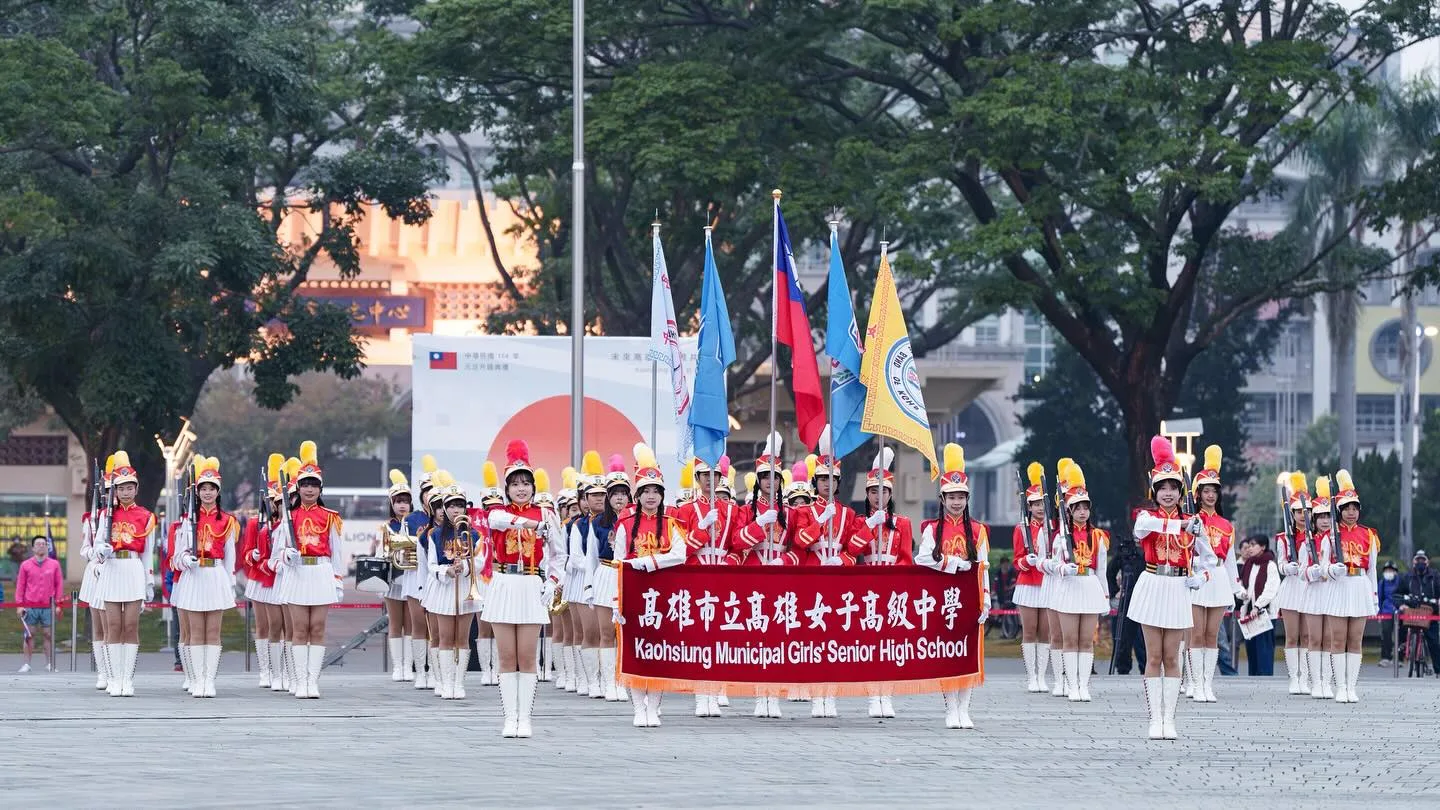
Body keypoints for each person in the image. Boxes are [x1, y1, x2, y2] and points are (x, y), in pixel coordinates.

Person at [1127, 436, 1217, 740]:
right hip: (1153, 584)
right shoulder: (1146, 516)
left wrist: (1200, 579)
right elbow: (1144, 531)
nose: (1168, 493)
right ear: (1155, 492)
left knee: (1172, 657)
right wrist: (1182, 526)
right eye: (1162, 488)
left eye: (1173, 488)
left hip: (1179, 587)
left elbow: (1211, 560)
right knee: (1154, 657)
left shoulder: (1194, 521)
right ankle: (1155, 719)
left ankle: (1169, 719)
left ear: (1181, 492)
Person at [484, 439, 567, 738]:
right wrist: (531, 527)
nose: (521, 488)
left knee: (528, 656)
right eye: (515, 483)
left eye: (526, 483)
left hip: (532, 583)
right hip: (504, 583)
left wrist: (553, 582)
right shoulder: (497, 511)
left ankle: (525, 718)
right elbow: (497, 520)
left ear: (533, 486)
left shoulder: (546, 513)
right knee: (506, 656)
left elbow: (559, 554)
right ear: (506, 488)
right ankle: (510, 717)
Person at [612, 443, 689, 727]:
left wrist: (652, 562)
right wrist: (615, 601)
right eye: (645, 491)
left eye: (656, 491)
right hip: (632, 593)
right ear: (638, 495)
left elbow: (680, 554)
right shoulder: (625, 525)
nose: (651, 496)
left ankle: (654, 706)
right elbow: (618, 563)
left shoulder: (671, 524)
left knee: (657, 651)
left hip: (662, 594)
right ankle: (637, 707)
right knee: (634, 651)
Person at [917, 443, 990, 728]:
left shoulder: (978, 530)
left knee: (969, 653)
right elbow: (922, 558)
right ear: (942, 498)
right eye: (951, 496)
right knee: (949, 654)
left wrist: (987, 601)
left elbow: (983, 567)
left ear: (967, 498)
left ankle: (965, 708)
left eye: (961, 496)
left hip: (971, 598)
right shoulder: (931, 528)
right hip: (943, 597)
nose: (956, 502)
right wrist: (950, 563)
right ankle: (950, 708)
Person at [673, 452, 746, 717]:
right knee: (699, 637)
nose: (711, 481)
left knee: (720, 636)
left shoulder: (732, 509)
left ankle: (715, 692)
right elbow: (680, 550)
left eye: (715, 476)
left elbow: (739, 546)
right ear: (698, 478)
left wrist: (729, 563)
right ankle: (700, 694)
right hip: (695, 576)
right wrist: (702, 528)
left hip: (722, 577)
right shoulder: (685, 510)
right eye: (706, 476)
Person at [272, 441, 343, 699]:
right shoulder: (288, 517)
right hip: (297, 573)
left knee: (318, 628)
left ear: (320, 488)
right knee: (299, 628)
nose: (309, 489)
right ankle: (300, 680)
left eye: (314, 484)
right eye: (305, 484)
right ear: (298, 487)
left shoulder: (331, 516)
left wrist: (337, 580)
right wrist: (286, 555)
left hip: (320, 572)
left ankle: (313, 681)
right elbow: (275, 555)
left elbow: (337, 553)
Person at [170, 457, 239, 698]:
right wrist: (184, 560)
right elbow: (175, 557)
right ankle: (197, 679)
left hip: (215, 575)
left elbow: (231, 556)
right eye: (203, 489)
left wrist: (230, 584)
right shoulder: (188, 521)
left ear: (218, 491)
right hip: (193, 576)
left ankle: (209, 680)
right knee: (195, 632)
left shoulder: (228, 521)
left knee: (213, 632)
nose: (207, 493)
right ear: (197, 492)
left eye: (212, 489)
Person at [92, 451, 156, 697]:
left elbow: (147, 553)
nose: (125, 492)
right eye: (121, 488)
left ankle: (126, 679)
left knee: (130, 625)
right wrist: (103, 549)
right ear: (114, 490)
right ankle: (113, 677)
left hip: (132, 569)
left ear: (136, 489)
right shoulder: (105, 514)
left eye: (130, 487)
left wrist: (149, 582)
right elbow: (97, 546)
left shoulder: (146, 516)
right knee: (113, 625)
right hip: (111, 569)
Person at [856, 446, 913, 718]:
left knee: (888, 645)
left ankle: (887, 695)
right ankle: (872, 697)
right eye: (874, 491)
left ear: (891, 494)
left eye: (884, 491)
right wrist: (869, 526)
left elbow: (906, 559)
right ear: (867, 494)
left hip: (891, 589)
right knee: (869, 644)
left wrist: (895, 580)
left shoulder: (902, 523)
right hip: (866, 589)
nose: (879, 496)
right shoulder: (858, 521)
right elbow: (853, 552)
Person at [1044, 463, 1109, 702]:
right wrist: (1063, 568)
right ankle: (1072, 685)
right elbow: (1050, 564)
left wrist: (1105, 596)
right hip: (1068, 587)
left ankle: (1084, 685)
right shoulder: (1061, 537)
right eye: (1077, 508)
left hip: (1089, 585)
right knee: (1069, 639)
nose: (1082, 512)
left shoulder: (1098, 536)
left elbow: (1101, 570)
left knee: (1086, 640)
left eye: (1085, 507)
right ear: (1068, 511)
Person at [419, 471, 486, 700]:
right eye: (451, 506)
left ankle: (459, 683)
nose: (456, 510)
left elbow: (480, 561)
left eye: (460, 505)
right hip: (444, 588)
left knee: (462, 638)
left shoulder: (475, 534)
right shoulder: (435, 534)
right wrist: (446, 570)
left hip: (465, 586)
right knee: (445, 637)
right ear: (444, 509)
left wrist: (465, 567)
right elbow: (430, 565)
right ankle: (446, 683)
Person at [1186, 446, 1245, 703]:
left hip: (1218, 577)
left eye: (1214, 491)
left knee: (1212, 635)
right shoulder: (1190, 520)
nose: (1210, 495)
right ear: (1197, 494)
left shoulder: (1226, 525)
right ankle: (1195, 682)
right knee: (1196, 634)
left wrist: (1236, 587)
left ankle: (1206, 684)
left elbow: (1230, 559)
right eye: (1206, 491)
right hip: (1198, 576)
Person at [1319, 471, 1378, 703]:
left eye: (1354, 508)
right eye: (1346, 508)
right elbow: (1322, 567)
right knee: (1337, 639)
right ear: (1340, 511)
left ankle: (1351, 686)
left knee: (1355, 639)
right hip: (1339, 585)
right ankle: (1340, 686)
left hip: (1359, 585)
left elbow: (1372, 568)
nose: (1351, 512)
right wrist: (1332, 570)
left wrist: (1373, 596)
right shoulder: (1330, 536)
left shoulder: (1368, 535)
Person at [584, 455, 634, 702]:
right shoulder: (598, 523)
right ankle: (608, 682)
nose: (619, 498)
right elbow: (591, 557)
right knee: (606, 632)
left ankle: (622, 680)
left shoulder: (637, 521)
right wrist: (590, 587)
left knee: (624, 632)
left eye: (624, 493)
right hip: (605, 574)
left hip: (629, 576)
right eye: (614, 493)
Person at [240, 454, 287, 691]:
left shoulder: (288, 524)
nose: (274, 504)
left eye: (278, 500)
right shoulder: (254, 523)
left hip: (282, 576)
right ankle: (265, 670)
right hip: (261, 578)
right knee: (263, 626)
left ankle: (283, 670)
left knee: (283, 625)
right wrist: (254, 557)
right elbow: (246, 553)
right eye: (270, 500)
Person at [558, 450, 603, 695]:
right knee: (582, 630)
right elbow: (573, 558)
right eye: (587, 497)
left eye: (598, 495)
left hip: (604, 580)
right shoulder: (576, 525)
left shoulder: (610, 521)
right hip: (579, 580)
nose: (590, 502)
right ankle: (581, 676)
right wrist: (595, 565)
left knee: (604, 631)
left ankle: (602, 676)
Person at [380, 469, 428, 684]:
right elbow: (381, 552)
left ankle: (409, 666)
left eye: (406, 502)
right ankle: (398, 667)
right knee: (395, 623)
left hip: (411, 577)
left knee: (412, 623)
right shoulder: (386, 527)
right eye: (398, 501)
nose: (402, 505)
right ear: (391, 503)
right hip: (394, 578)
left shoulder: (418, 522)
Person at [1013, 462, 1052, 691]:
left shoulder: (1053, 527)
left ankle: (1042, 676)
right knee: (1029, 631)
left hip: (1046, 582)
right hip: (1028, 583)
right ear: (1028, 506)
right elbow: (1017, 559)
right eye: (1035, 504)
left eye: (1041, 503)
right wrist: (1026, 562)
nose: (1039, 508)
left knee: (1045, 631)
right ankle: (1032, 676)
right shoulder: (1021, 529)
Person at [1274, 473, 1313, 694]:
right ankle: (1294, 677)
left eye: (1306, 511)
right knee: (1292, 635)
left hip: (1308, 586)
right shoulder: (1283, 536)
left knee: (1307, 636)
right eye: (1298, 511)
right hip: (1290, 586)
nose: (1302, 515)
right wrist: (1287, 568)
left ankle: (1305, 676)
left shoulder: (1315, 536)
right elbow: (1280, 562)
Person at [1304, 477, 1338, 699]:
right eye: (1321, 517)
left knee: (1329, 639)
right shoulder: (1308, 540)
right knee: (1315, 639)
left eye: (1328, 516)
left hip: (1333, 592)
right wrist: (1312, 572)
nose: (1325, 521)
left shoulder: (1339, 539)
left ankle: (1327, 681)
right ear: (1314, 519)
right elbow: (1301, 571)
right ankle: (1316, 682)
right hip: (1315, 591)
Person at [77, 471, 111, 689]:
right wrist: (95, 557)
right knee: (99, 626)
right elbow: (84, 548)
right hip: (95, 573)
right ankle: (102, 672)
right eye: (107, 491)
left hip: (118, 570)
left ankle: (116, 669)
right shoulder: (91, 519)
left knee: (116, 625)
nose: (111, 495)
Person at [16, 536, 62, 672]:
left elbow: (58, 585)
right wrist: (19, 604)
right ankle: (26, 664)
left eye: (43, 544)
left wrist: (58, 604)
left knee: (48, 634)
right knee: (29, 635)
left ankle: (50, 664)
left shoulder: (54, 564)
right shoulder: (25, 565)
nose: (41, 546)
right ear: (33, 548)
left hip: (48, 606)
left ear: (47, 547)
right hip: (30, 605)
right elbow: (20, 586)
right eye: (38, 544)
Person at [1392, 549, 1440, 675]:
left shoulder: (1435, 576)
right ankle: (1401, 655)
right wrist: (1401, 605)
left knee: (1434, 642)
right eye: (1417, 560)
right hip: (1411, 612)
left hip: (1431, 613)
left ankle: (1438, 670)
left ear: (1427, 562)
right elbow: (1396, 594)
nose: (1420, 562)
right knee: (1400, 630)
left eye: (1423, 560)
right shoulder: (1407, 577)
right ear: (1413, 562)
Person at [1237, 535, 1279, 676]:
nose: (1249, 548)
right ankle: (1253, 680)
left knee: (1264, 650)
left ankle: (1265, 680)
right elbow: (1242, 584)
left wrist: (1258, 606)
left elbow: (1271, 589)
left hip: (1264, 614)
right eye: (1248, 545)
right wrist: (1242, 594)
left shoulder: (1270, 565)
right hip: (1249, 614)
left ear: (1263, 547)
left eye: (1253, 545)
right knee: (1252, 650)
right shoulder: (1249, 564)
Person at [1107, 528, 1147, 675]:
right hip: (1128, 598)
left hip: (1147, 599)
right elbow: (1110, 571)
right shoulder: (1126, 549)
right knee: (1123, 637)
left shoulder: (1154, 546)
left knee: (1144, 638)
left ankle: (1148, 669)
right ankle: (1123, 669)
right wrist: (1114, 592)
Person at [1377, 560, 1400, 667]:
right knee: (1386, 634)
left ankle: (1400, 658)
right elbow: (1379, 599)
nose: (1389, 572)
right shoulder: (1382, 583)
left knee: (1401, 635)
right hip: (1386, 612)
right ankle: (1386, 657)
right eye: (1387, 570)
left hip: (1400, 612)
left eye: (1391, 570)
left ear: (1395, 572)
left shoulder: (1400, 582)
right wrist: (1379, 614)